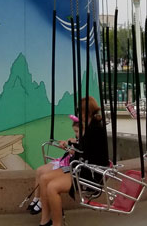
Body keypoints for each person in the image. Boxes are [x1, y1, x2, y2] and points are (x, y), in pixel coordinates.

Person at [35, 96, 109, 226]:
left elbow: (85, 150)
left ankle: (57, 224)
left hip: (89, 172)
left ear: (87, 112)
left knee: (52, 187)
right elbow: (82, 146)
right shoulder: (90, 126)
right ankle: (45, 220)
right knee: (43, 179)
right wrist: (70, 144)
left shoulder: (96, 129)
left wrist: (71, 146)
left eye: (80, 112)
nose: (79, 115)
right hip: (79, 166)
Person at [28, 115, 80, 215]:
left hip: (69, 163)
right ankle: (36, 198)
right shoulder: (76, 140)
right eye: (75, 131)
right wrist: (66, 144)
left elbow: (76, 153)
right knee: (39, 170)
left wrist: (68, 146)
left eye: (77, 131)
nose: (76, 134)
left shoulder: (83, 142)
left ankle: (42, 202)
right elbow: (71, 151)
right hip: (65, 160)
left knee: (45, 178)